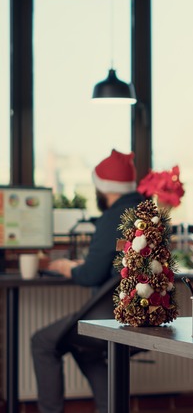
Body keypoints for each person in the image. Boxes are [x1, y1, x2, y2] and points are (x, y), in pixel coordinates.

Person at [32, 149, 146, 413]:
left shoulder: (112, 217)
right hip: (141, 312)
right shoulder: (144, 211)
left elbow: (91, 275)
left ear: (104, 188)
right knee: (85, 349)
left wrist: (65, 268)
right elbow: (120, 257)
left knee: (42, 342)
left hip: (111, 317)